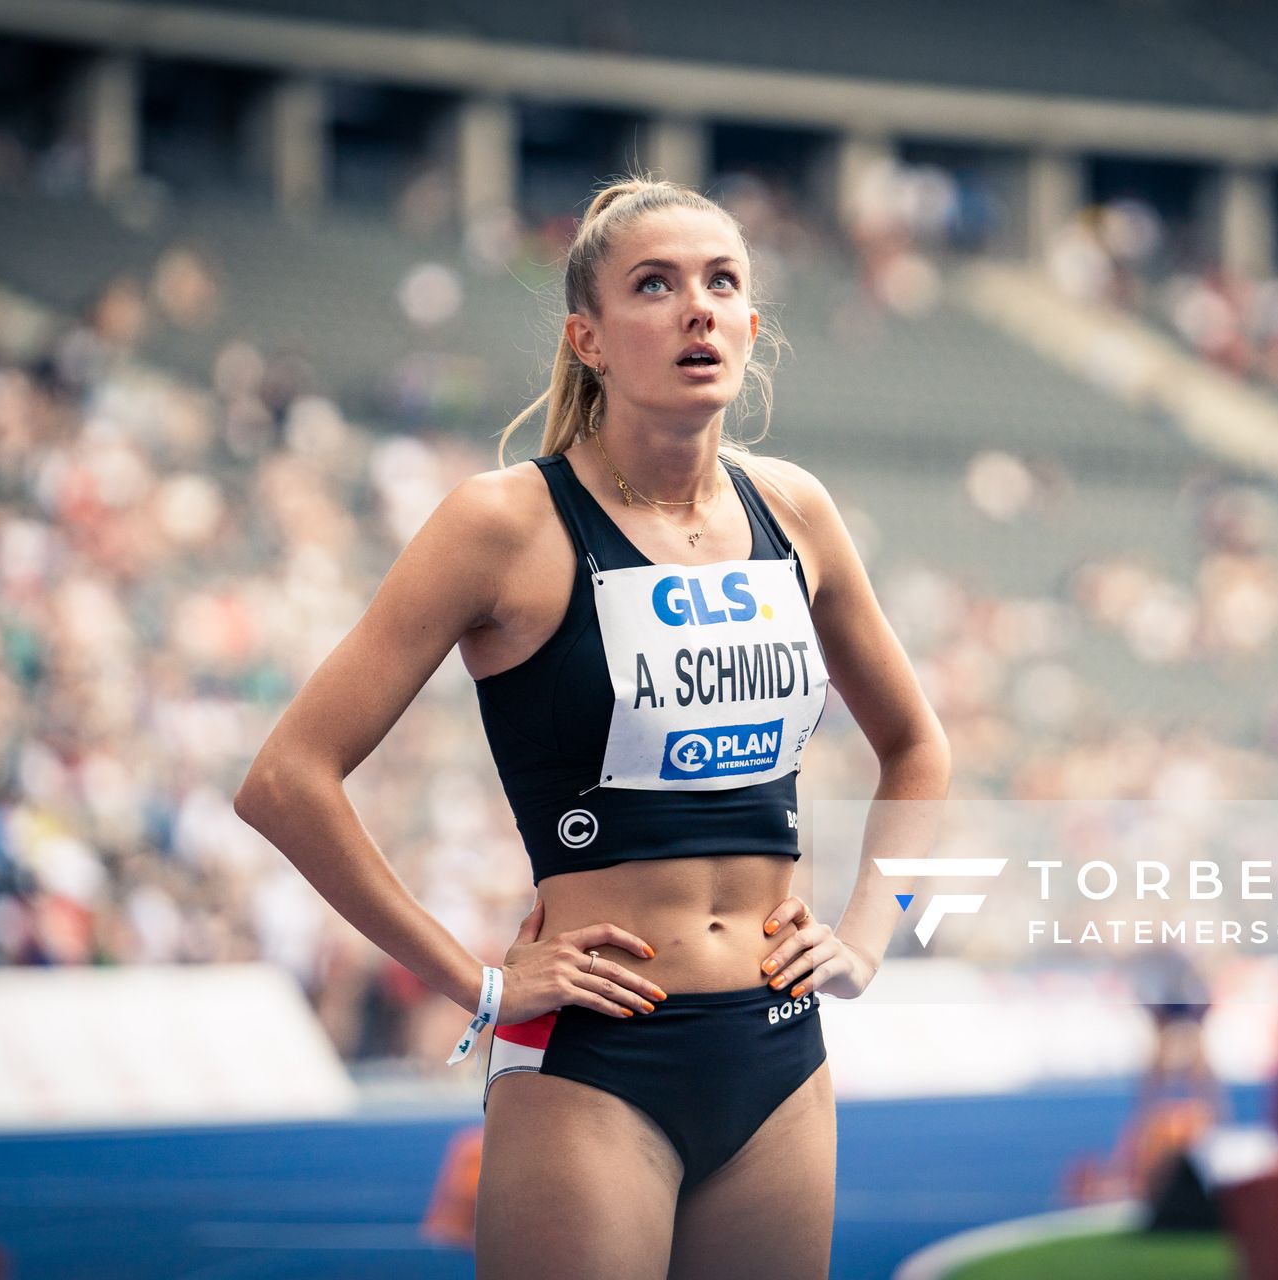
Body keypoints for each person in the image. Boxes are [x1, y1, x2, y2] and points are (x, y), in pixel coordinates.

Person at [233, 175, 951, 1279]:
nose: (697, 309)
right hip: (592, 1061)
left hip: (779, 1055)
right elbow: (287, 778)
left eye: (722, 283)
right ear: (590, 337)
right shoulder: (503, 522)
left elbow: (919, 747)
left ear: (754, 325)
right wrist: (471, 982)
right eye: (654, 286)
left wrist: (867, 936)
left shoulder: (795, 510)